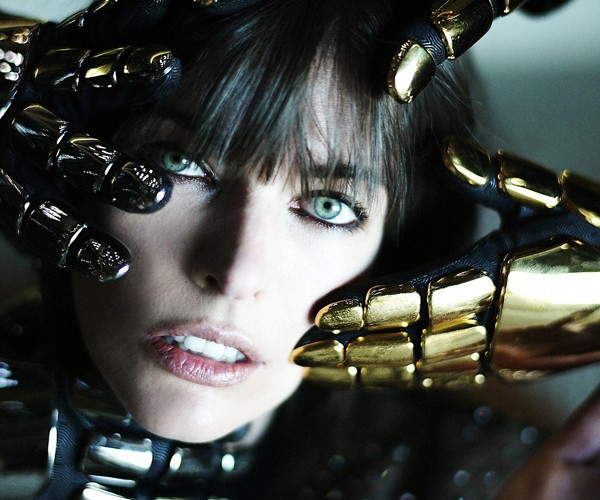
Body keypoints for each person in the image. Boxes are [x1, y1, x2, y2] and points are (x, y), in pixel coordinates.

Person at [0, 0, 598, 498]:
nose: (237, 272)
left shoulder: (507, 474)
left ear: (397, 256)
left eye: (329, 206)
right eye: (179, 163)